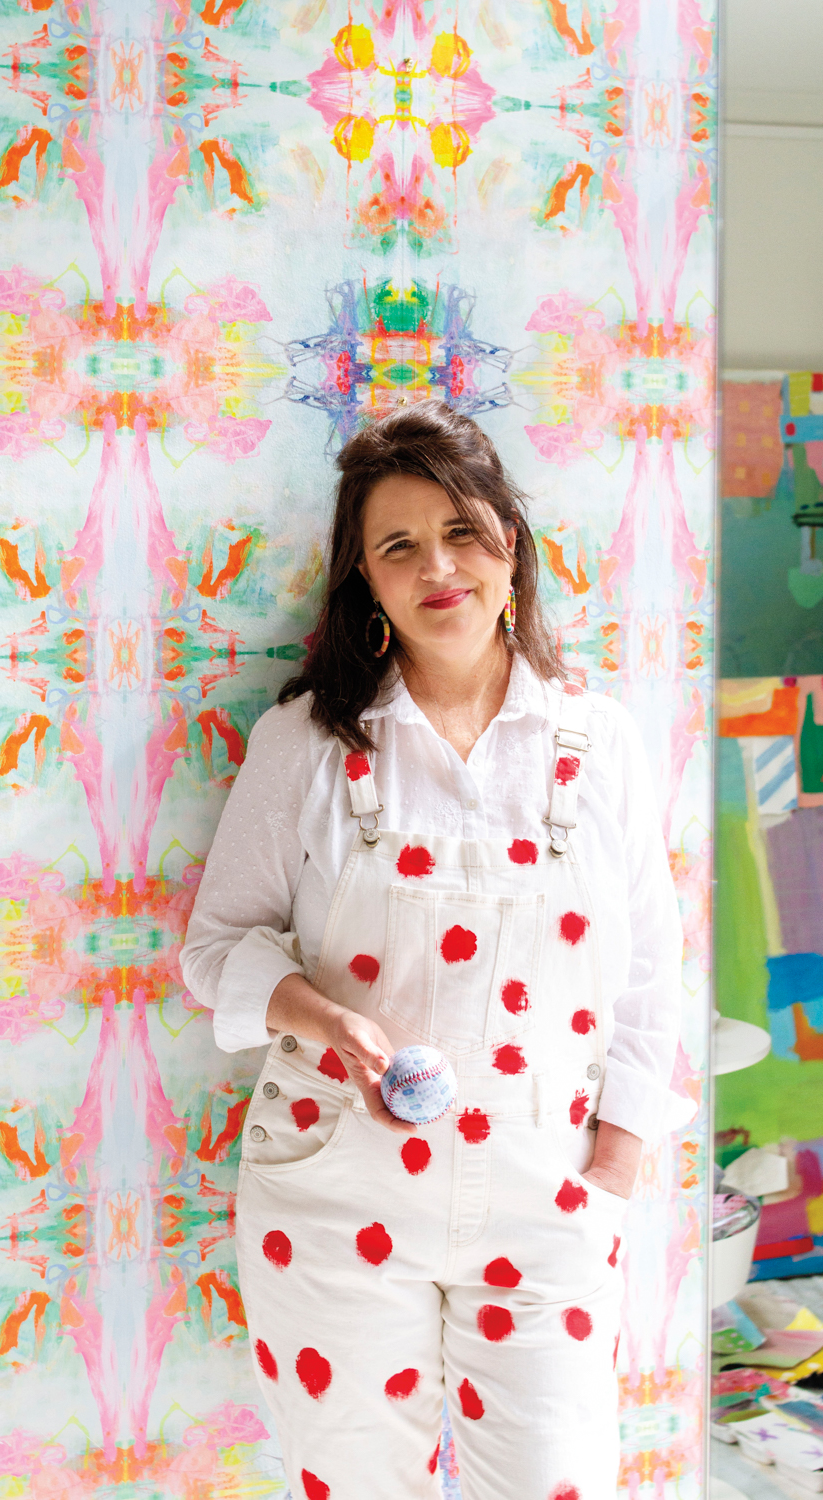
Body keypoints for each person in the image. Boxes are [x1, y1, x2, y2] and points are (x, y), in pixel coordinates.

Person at [181, 401, 683, 1500]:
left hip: (546, 1188)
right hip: (334, 1187)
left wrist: (616, 1161)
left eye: (460, 531)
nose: (436, 567)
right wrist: (324, 1019)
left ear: (511, 540)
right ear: (364, 581)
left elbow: (652, 970)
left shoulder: (599, 748)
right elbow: (215, 951)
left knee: (560, 1480)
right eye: (396, 546)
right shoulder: (308, 743)